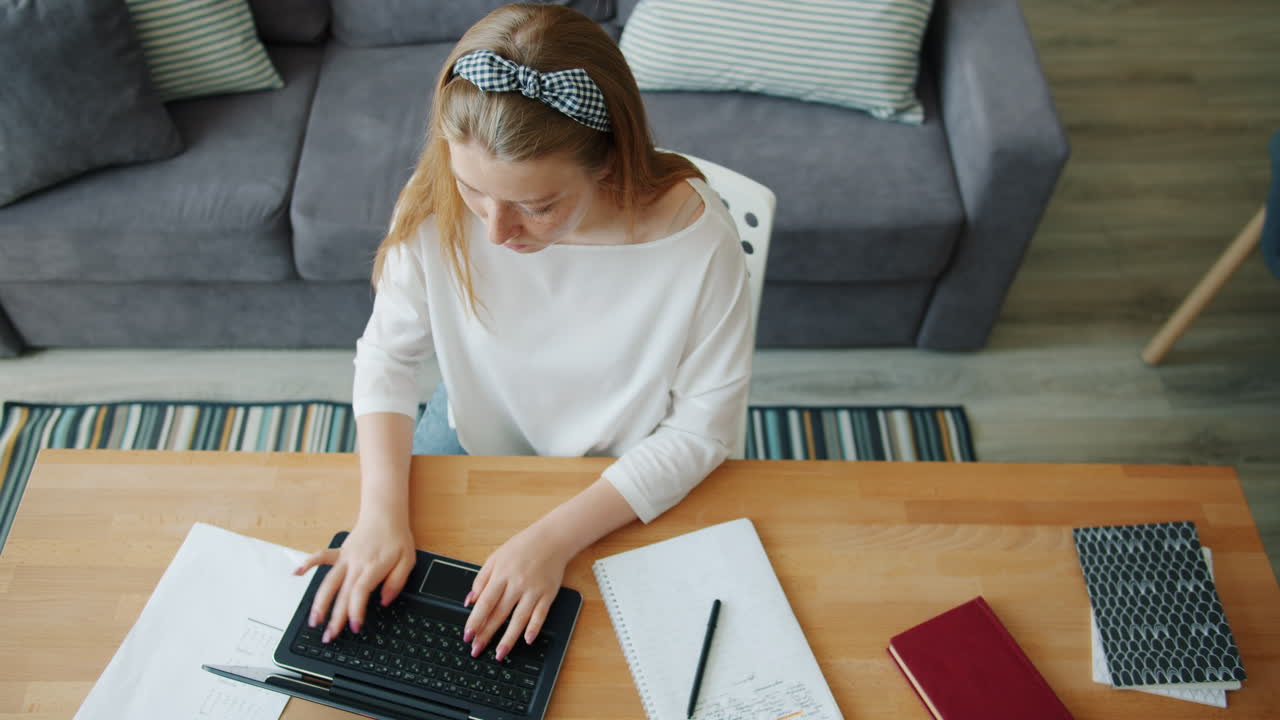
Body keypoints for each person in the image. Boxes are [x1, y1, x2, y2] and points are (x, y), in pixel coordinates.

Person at [293, 2, 752, 665]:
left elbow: (701, 430)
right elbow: (388, 359)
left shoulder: (697, 242)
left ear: (608, 162)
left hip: (627, 464)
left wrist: (551, 540)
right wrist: (379, 517)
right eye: (472, 190)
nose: (496, 233)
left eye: (537, 207)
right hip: (470, 439)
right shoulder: (432, 213)